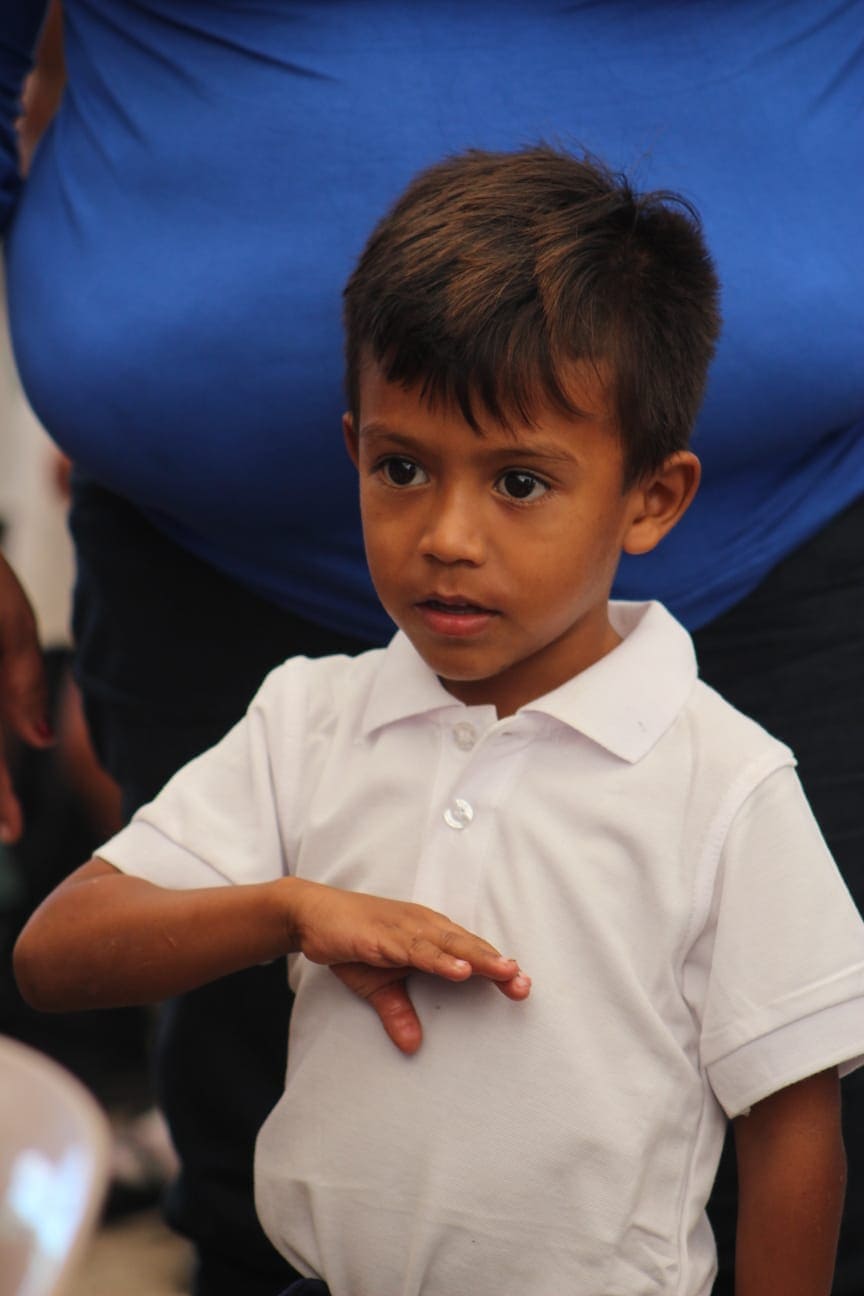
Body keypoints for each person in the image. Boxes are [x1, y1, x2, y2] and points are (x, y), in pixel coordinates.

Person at [2, 4, 863, 1293]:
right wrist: (289, 911)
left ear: (653, 498)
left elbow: (794, 1132)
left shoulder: (727, 782)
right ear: (351, 448)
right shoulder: (304, 722)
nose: (447, 538)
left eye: (519, 482)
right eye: (402, 468)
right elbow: (53, 958)